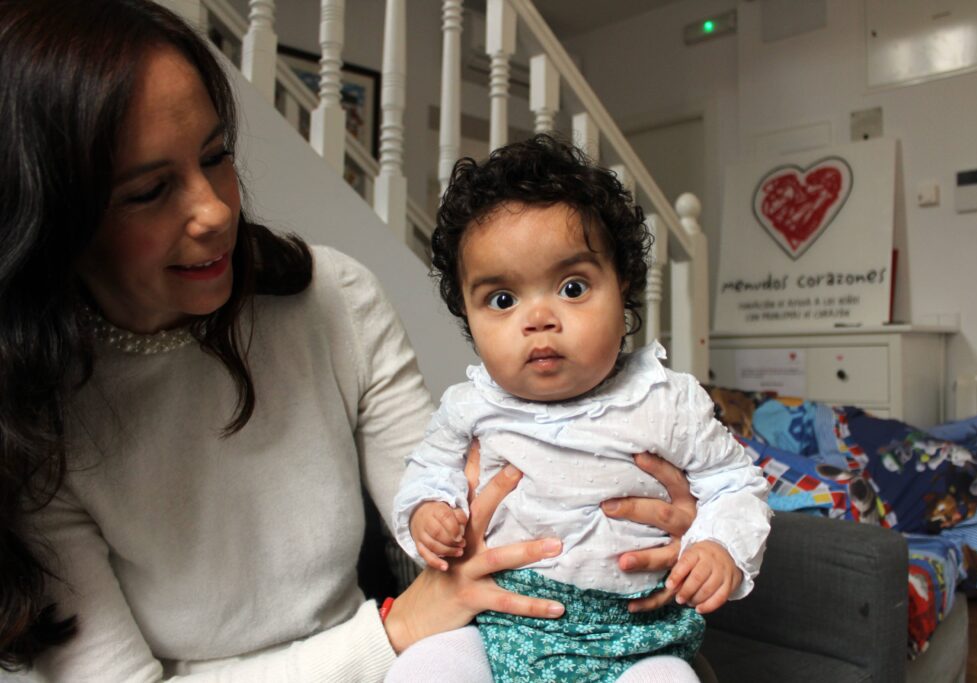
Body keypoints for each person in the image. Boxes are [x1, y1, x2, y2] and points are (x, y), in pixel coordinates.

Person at [0, 1, 698, 680]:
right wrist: (389, 632)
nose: (214, 209)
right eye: (151, 191)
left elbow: (454, 528)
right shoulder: (28, 414)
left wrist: (651, 516)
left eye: (216, 156)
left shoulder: (331, 299)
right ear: (52, 215)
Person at [390, 136, 772, 682]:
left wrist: (718, 544)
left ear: (624, 291)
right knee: (424, 667)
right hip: (500, 627)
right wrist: (430, 511)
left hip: (635, 642)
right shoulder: (470, 407)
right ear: (468, 318)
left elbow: (734, 484)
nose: (538, 318)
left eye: (572, 287)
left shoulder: (664, 400)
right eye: (502, 299)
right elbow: (428, 473)